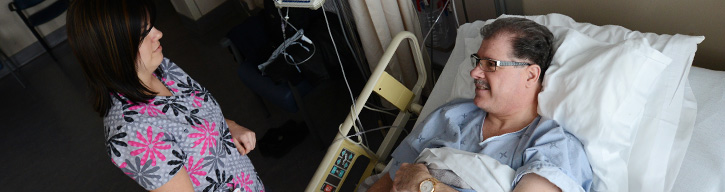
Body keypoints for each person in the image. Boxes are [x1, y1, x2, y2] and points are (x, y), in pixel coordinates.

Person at [368, 17, 593, 192]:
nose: (474, 72)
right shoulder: (449, 115)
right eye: (477, 61)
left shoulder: (553, 146)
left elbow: (413, 181)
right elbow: (392, 179)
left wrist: (426, 185)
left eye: (490, 64)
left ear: (530, 75)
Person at [66, 0, 264, 191]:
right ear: (114, 50)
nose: (159, 33)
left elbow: (191, 120)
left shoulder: (161, 68)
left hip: (249, 181)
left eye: (152, 25)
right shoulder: (133, 134)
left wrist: (229, 126)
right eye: (144, 32)